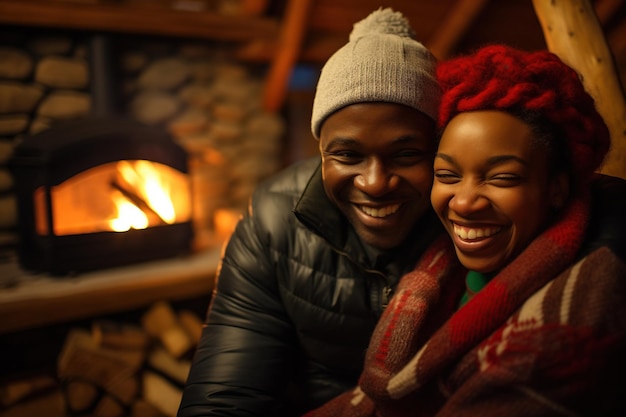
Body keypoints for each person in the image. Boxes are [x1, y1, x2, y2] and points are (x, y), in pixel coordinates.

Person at [304, 45, 626, 417]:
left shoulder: (577, 317)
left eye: (502, 178)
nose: (463, 202)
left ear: (556, 188)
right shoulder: (439, 272)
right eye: (447, 175)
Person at [177, 8, 446, 416]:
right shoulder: (274, 220)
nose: (374, 182)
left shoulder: (467, 222)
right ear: (321, 152)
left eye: (406, 154)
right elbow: (225, 395)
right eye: (347, 155)